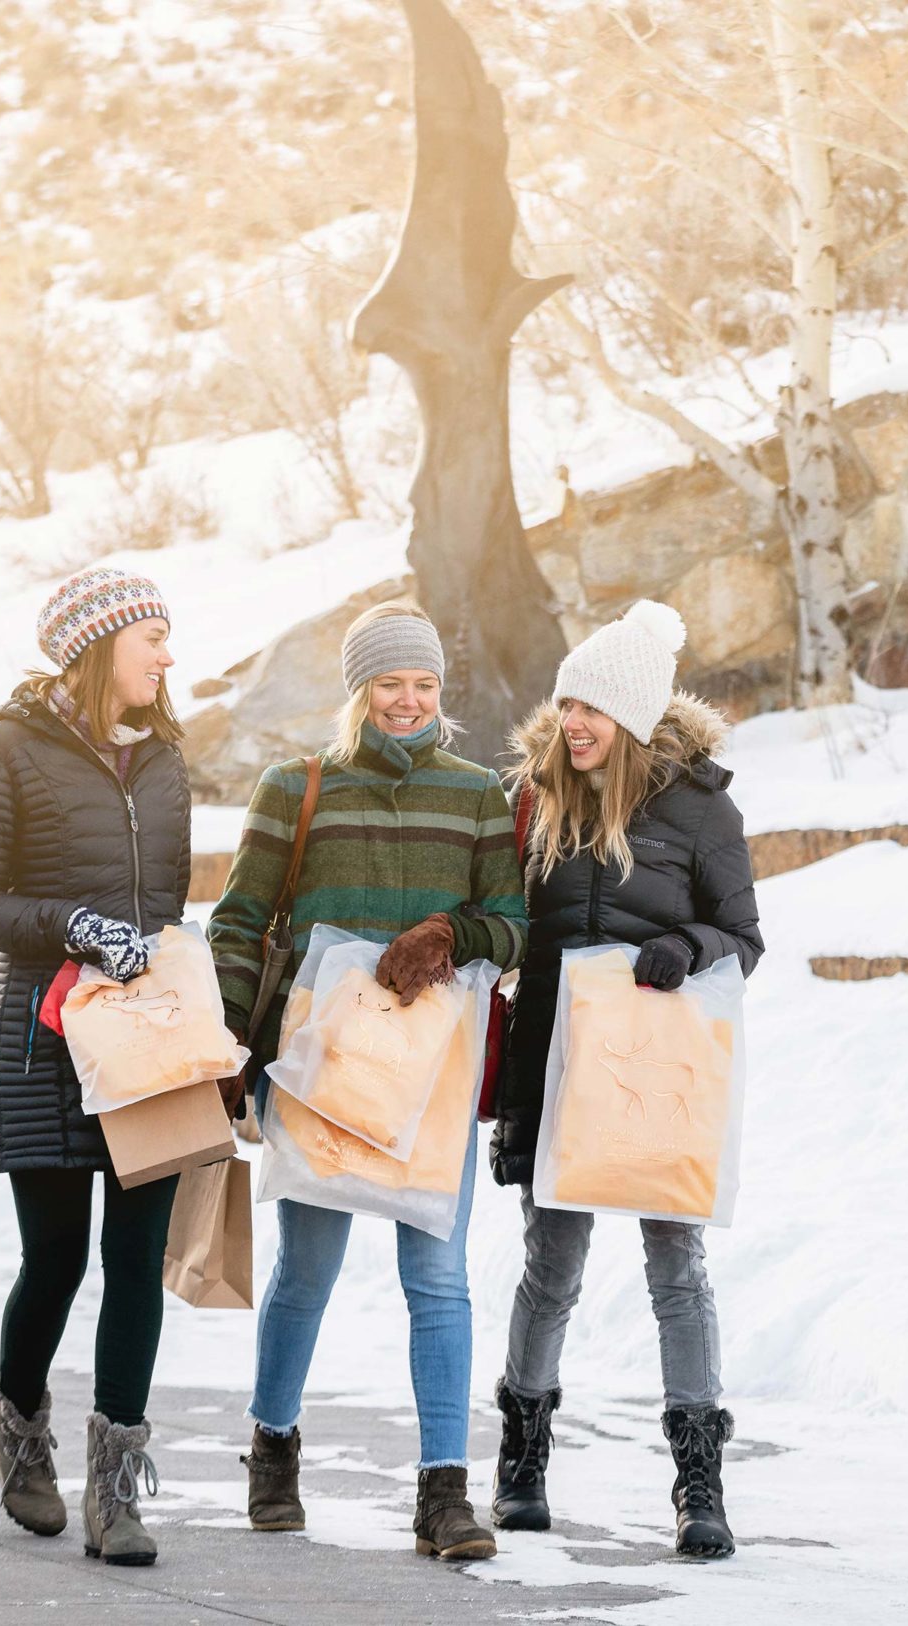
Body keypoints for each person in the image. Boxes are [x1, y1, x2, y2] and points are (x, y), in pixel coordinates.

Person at [206, 602, 526, 1562]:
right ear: (359, 690)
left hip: (431, 1069)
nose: (408, 701)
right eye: (390, 683)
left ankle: (443, 1494)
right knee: (306, 1270)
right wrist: (228, 1039)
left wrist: (451, 935)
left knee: (437, 1276)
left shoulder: (476, 794)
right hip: (317, 1070)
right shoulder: (295, 789)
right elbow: (236, 922)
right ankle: (272, 1448)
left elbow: (515, 923)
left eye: (424, 684)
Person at [488, 600, 763, 1560]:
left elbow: (745, 938)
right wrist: (514, 1103)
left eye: (593, 709)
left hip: (658, 1077)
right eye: (567, 704)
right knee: (550, 1271)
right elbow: (518, 949)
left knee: (676, 1273)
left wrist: (686, 946)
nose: (573, 724)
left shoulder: (701, 809)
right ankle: (520, 1466)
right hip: (558, 1070)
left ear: (637, 719)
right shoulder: (536, 798)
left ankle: (699, 1483)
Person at [0, 566, 194, 1566]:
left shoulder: (170, 759)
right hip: (44, 1037)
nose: (170, 659)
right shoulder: (2, 753)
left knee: (136, 1261)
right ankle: (21, 1435)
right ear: (98, 649)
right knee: (55, 1259)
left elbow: (169, 903)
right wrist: (70, 927)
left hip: (144, 1038)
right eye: (153, 642)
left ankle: (118, 1496)